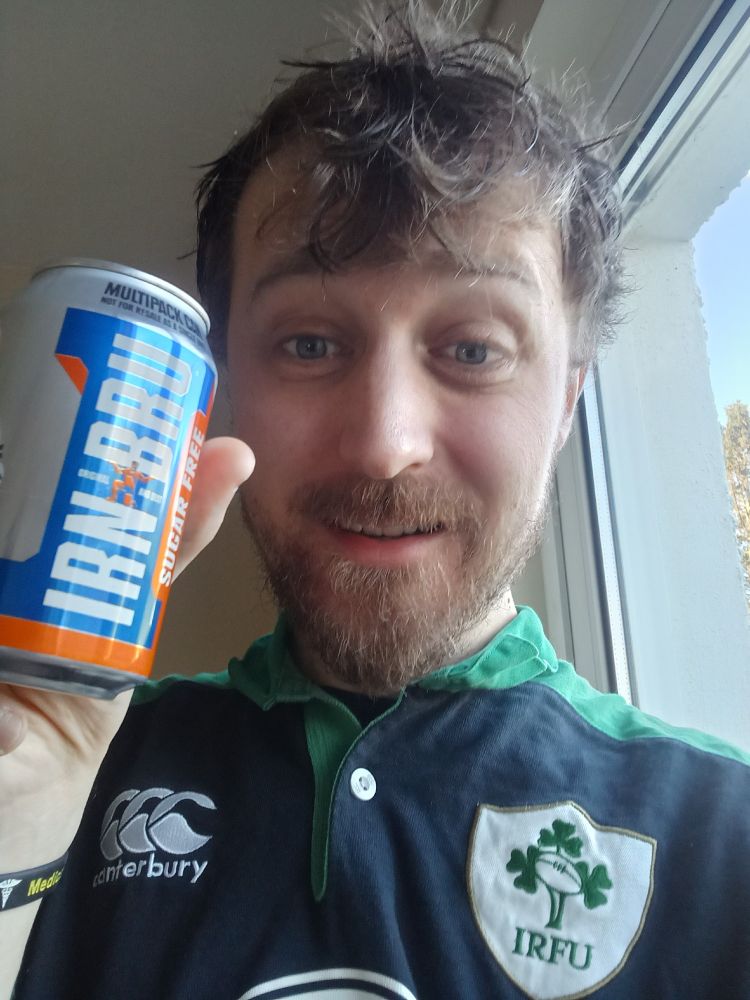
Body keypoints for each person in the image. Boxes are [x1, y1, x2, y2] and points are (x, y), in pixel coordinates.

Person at [3, 3, 749, 998]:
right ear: (224, 385)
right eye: (309, 343)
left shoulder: (721, 835)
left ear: (565, 404)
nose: (385, 444)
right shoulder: (76, 761)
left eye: (472, 349)